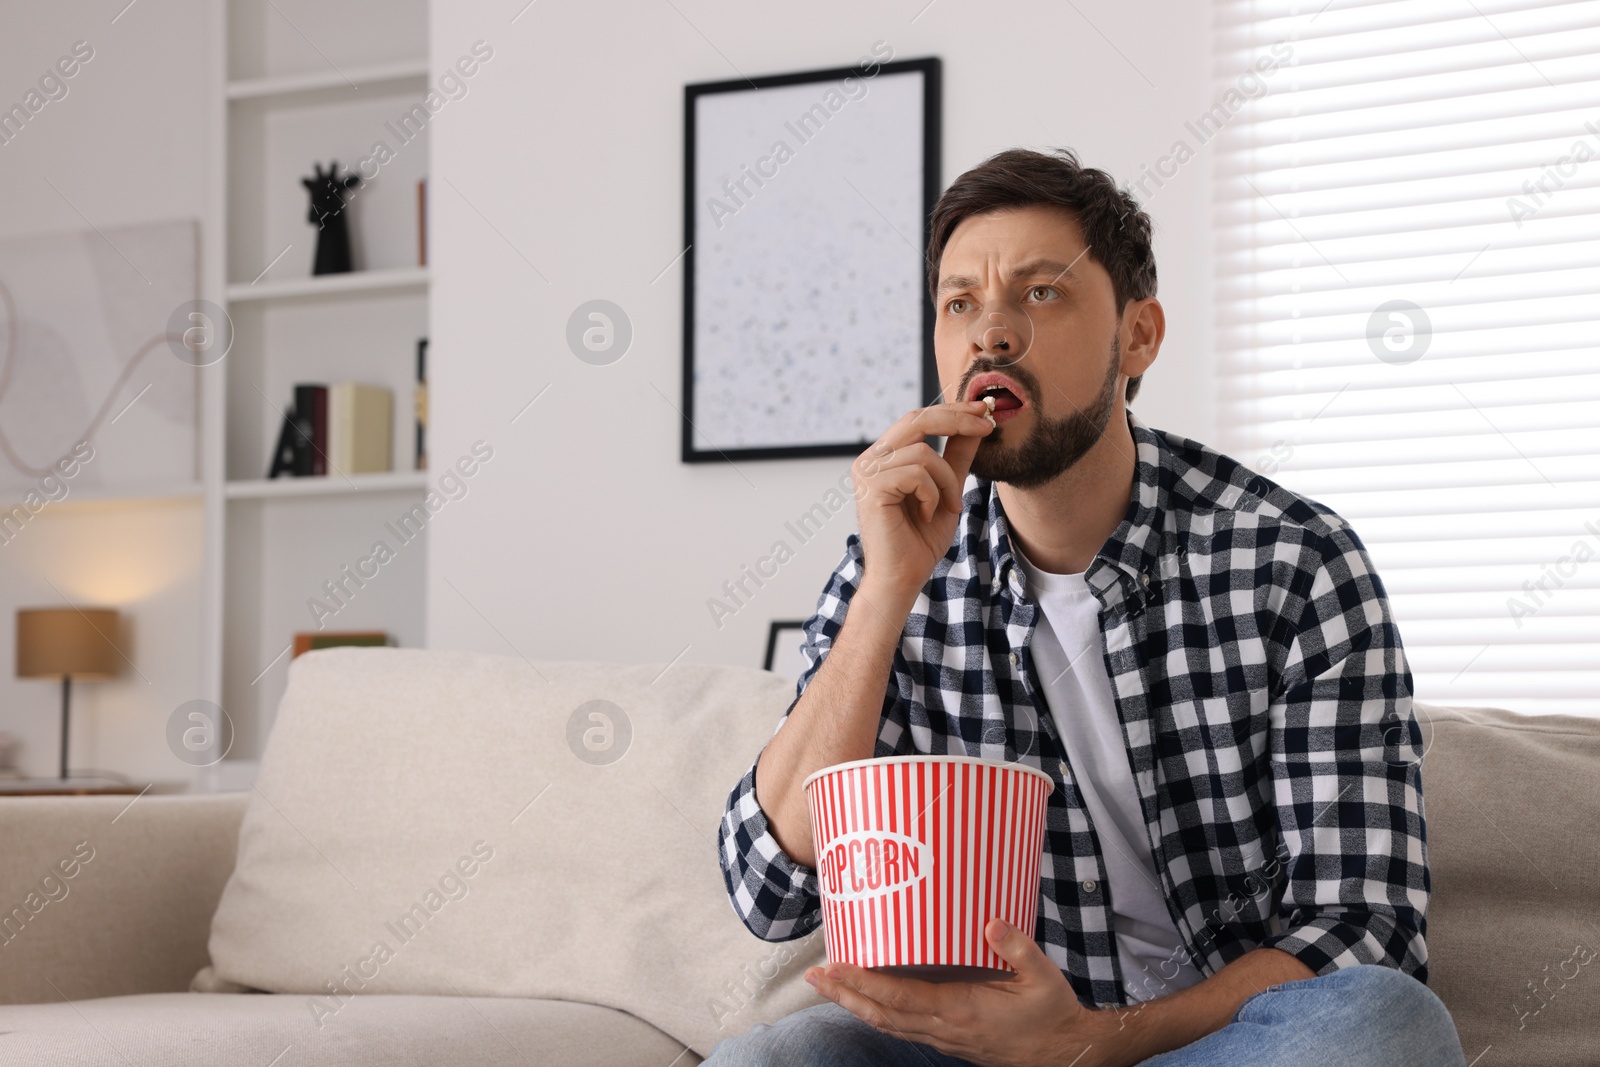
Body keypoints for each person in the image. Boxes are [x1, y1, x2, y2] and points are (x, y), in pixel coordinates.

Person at [707, 148, 1467, 1067]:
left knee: (1384, 1023)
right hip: (974, 1048)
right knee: (772, 1059)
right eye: (960, 304)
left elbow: (1365, 931)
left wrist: (1090, 1043)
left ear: (1138, 335)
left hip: (1211, 1044)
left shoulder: (1293, 561)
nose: (990, 333)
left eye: (1038, 294)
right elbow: (769, 889)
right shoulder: (893, 566)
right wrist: (886, 592)